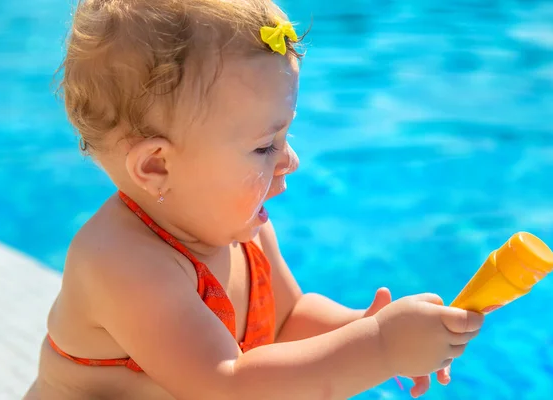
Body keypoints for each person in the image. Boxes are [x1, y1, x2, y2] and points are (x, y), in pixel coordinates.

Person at [24, 0, 484, 399]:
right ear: (157, 166)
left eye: (286, 135)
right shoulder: (122, 265)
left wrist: (363, 329)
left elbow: (287, 324)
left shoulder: (247, 229)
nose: (291, 159)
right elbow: (228, 388)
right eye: (265, 146)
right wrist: (379, 347)